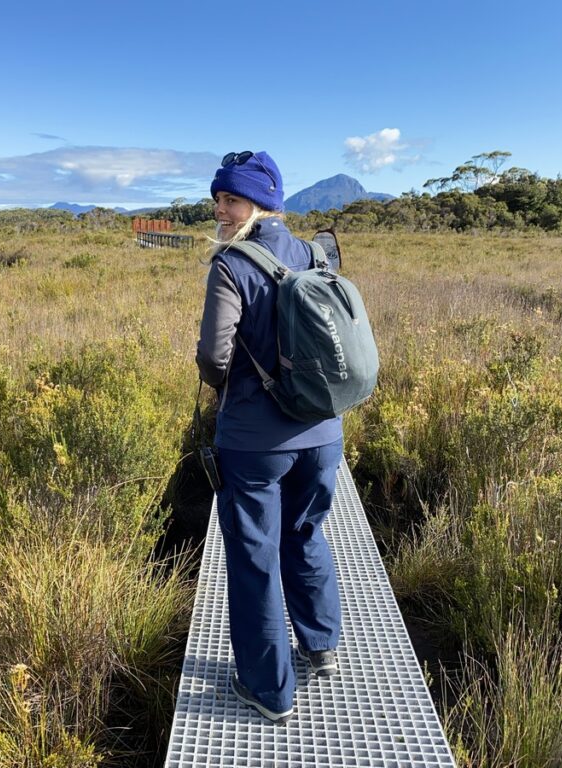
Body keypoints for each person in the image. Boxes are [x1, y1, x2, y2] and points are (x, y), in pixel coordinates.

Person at [195, 150, 343, 724]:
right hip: (323, 432)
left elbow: (214, 354)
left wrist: (230, 389)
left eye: (230, 199)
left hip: (255, 443)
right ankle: (321, 643)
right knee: (305, 531)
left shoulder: (231, 262)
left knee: (254, 557)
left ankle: (269, 689)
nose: (221, 209)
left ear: (260, 203)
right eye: (218, 199)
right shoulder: (314, 253)